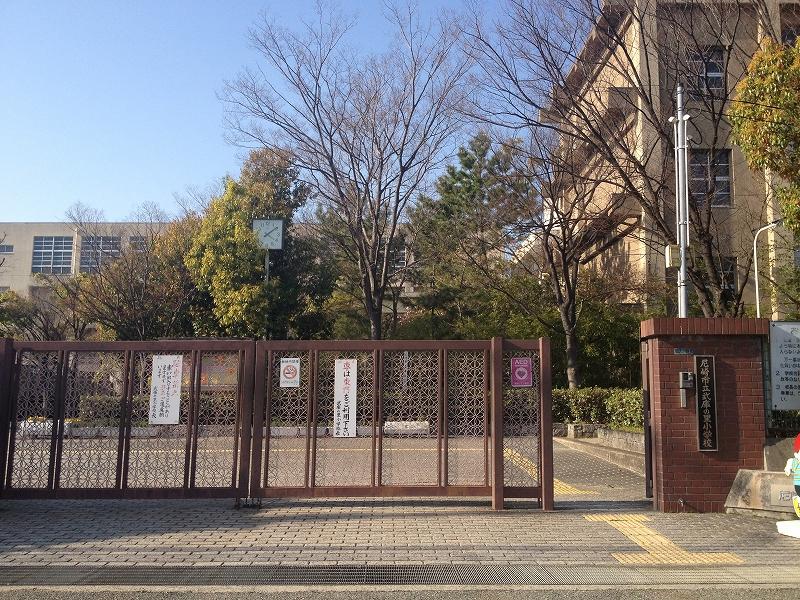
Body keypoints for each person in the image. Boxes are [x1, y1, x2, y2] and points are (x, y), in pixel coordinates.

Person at [784, 433, 800, 518]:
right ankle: (798, 501)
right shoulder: (793, 461)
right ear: (796, 454)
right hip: (798, 483)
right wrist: (787, 470)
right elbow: (789, 465)